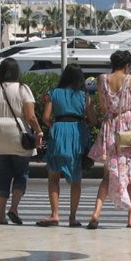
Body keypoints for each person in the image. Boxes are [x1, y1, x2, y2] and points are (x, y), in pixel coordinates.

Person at [86, 50, 131, 229]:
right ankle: (130, 218)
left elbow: (103, 106)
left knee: (107, 175)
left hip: (110, 126)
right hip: (129, 127)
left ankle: (96, 213)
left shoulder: (102, 79)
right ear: (127, 65)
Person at [0, 59, 43, 225]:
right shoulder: (23, 89)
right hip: (17, 134)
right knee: (21, 173)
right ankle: (13, 208)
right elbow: (30, 116)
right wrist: (39, 131)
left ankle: (0, 216)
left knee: (2, 175)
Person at [38, 65, 96, 227]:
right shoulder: (84, 96)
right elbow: (93, 119)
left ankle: (55, 214)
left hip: (58, 131)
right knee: (76, 178)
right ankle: (72, 217)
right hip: (77, 132)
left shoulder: (53, 93)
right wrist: (84, 125)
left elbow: (45, 117)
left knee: (53, 177)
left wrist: (54, 127)